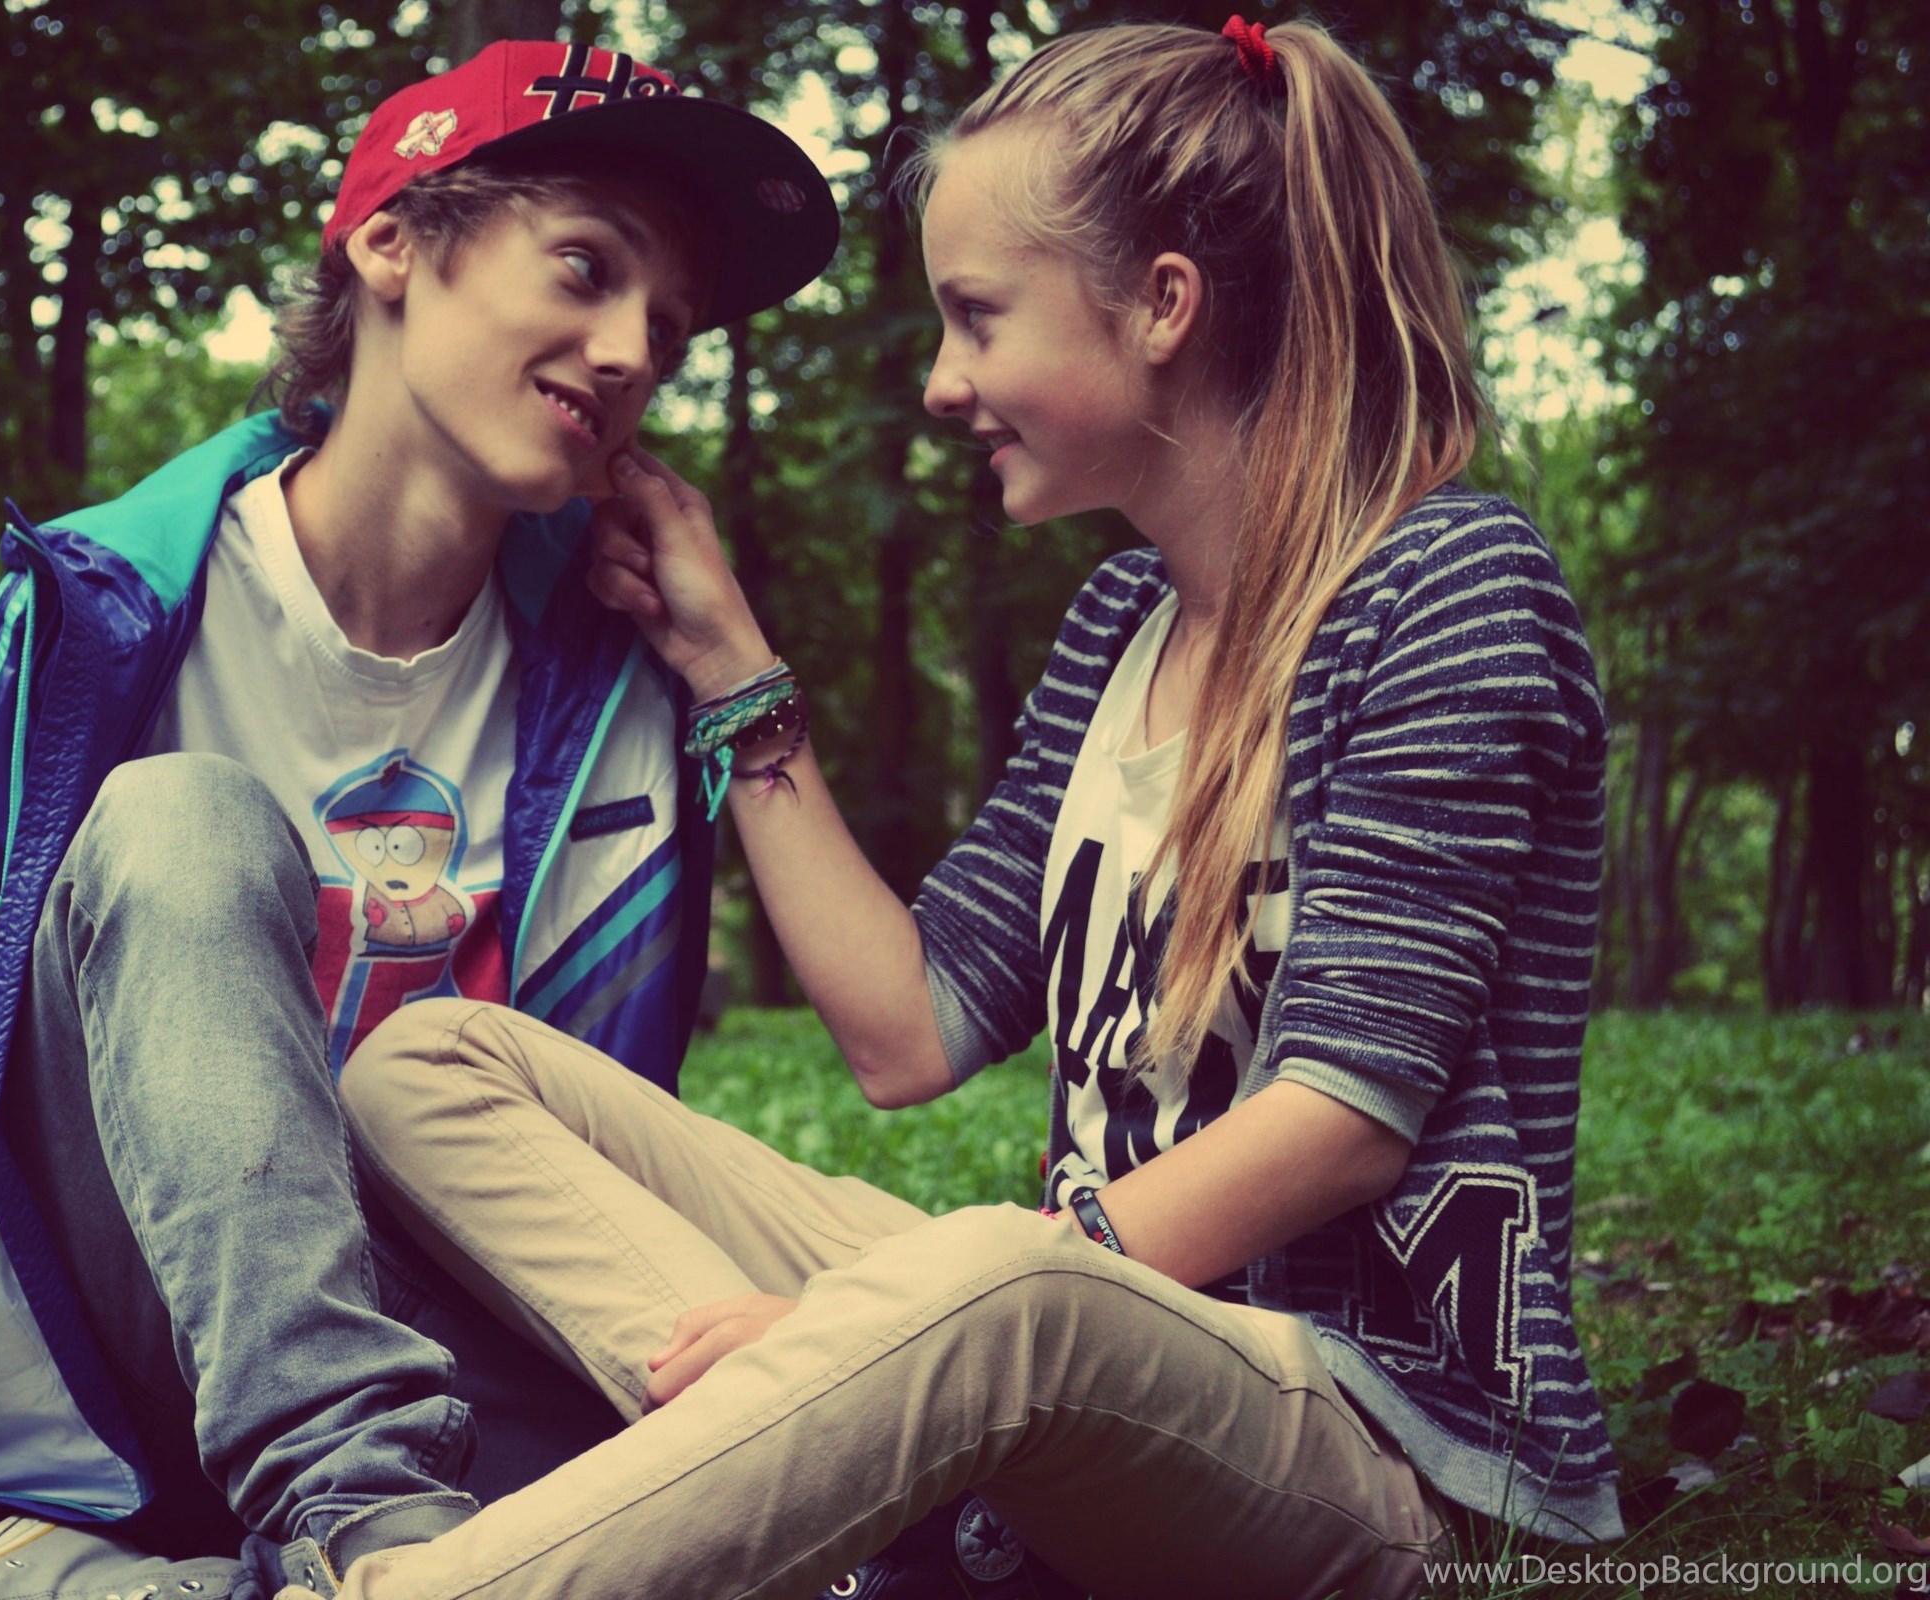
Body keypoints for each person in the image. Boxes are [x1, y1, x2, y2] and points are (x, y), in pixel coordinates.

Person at [298, 15, 1624, 1600]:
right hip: (1077, 1347)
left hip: (1376, 1444)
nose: (943, 383)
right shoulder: (1120, 629)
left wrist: (891, 1320)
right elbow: (907, 1029)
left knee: (1001, 1277)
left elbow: (1341, 1123)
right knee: (432, 1062)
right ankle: (813, 1455)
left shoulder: (1449, 590)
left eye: (979, 317)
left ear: (1164, 307)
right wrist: (729, 661)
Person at [0, 38, 837, 1600]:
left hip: (469, 1384)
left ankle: (196, 1575)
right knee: (180, 823)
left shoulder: (622, 688)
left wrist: (731, 667)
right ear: (391, 243)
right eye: (585, 267)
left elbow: (598, 1140)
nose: (633, 349)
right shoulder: (96, 615)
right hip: (131, 1340)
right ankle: (369, 1533)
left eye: (673, 328)